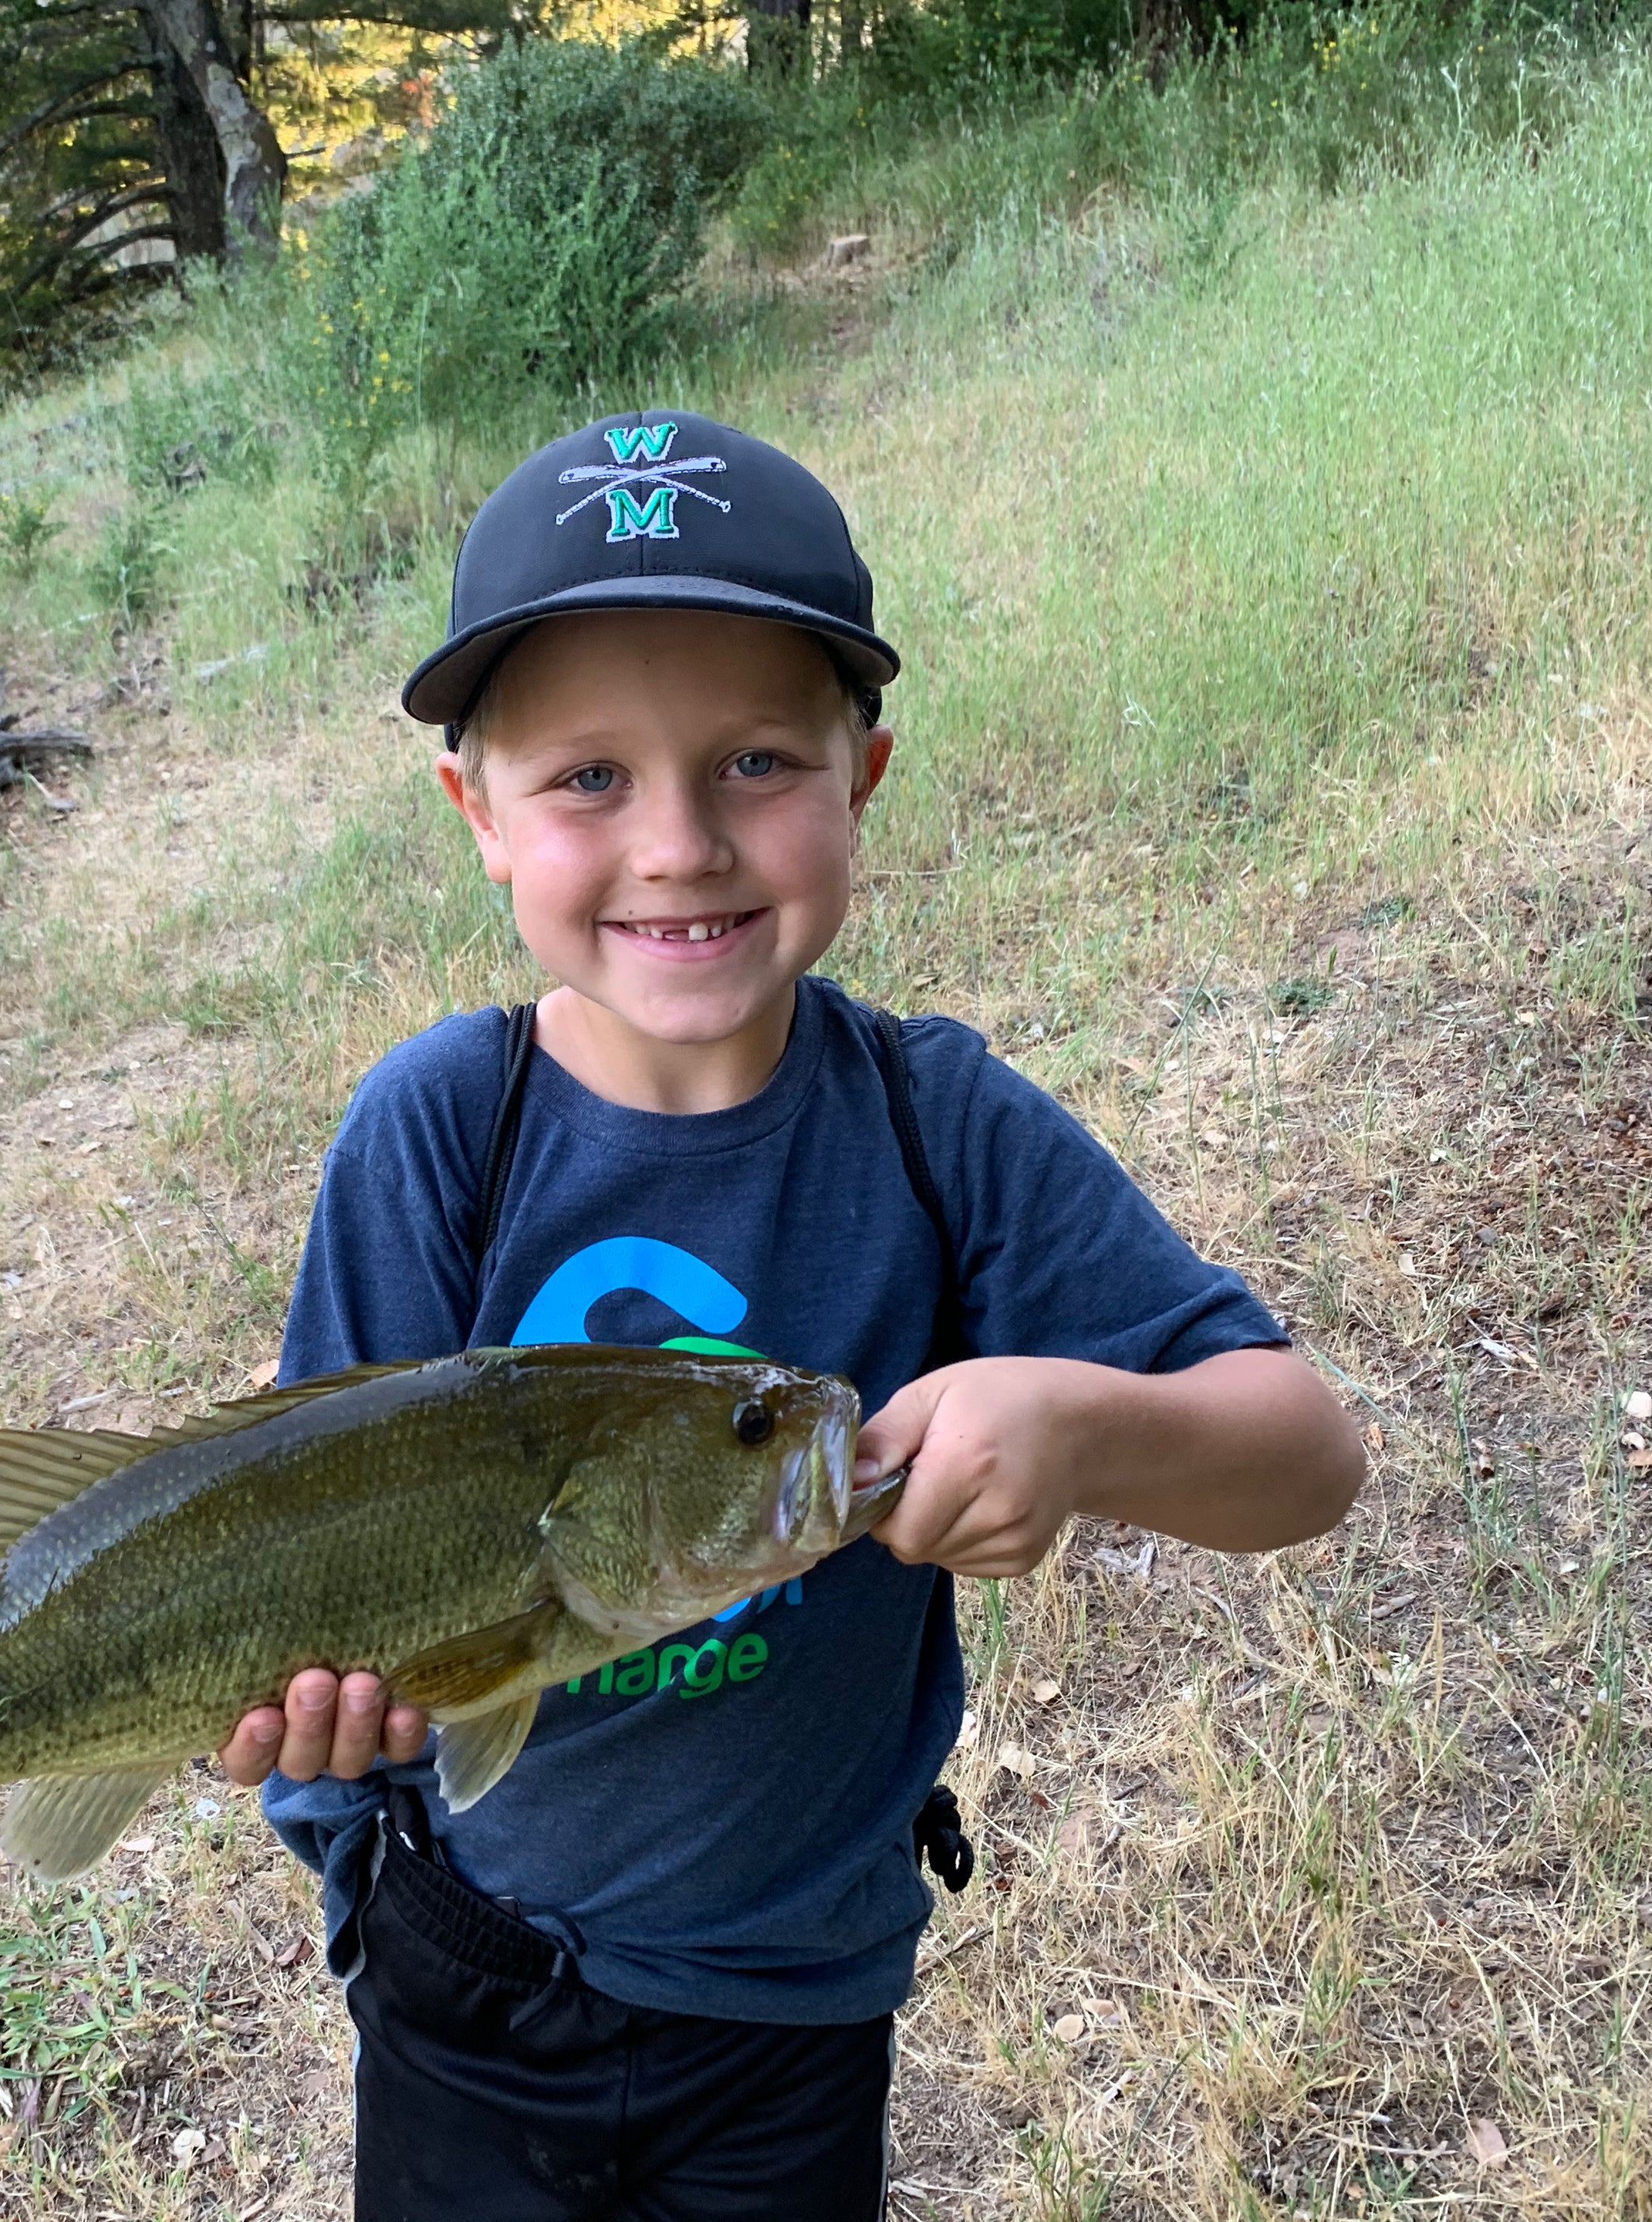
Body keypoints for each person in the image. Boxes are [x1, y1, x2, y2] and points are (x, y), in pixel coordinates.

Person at [212, 410, 1365, 2221]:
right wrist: (337, 1811)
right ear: (478, 818)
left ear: (863, 774)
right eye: (589, 778)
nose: (679, 844)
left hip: (793, 2003)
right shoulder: (438, 1130)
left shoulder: (936, 1124)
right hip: (464, 1970)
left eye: (754, 761)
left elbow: (1305, 1457)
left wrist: (1084, 1426)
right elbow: (288, 1526)